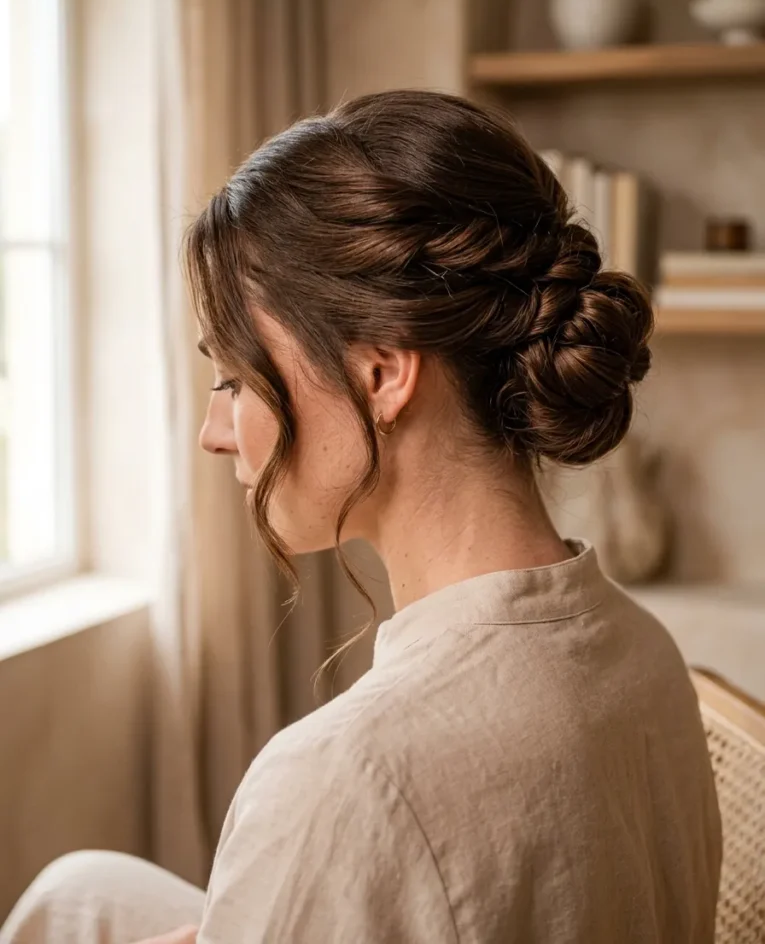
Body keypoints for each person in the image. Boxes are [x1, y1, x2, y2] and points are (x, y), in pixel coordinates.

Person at [1, 90, 721, 944]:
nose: (213, 431)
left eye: (235, 378)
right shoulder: (644, 650)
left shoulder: (345, 778)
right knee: (79, 890)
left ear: (382, 373)